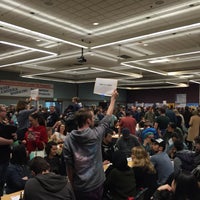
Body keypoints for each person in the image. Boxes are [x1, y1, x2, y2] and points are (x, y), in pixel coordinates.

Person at [63, 89, 118, 200]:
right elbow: (108, 117)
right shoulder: (96, 134)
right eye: (93, 118)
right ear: (88, 121)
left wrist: (72, 185)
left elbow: (69, 167)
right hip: (96, 183)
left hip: (79, 186)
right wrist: (112, 100)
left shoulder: (68, 140)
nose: (94, 119)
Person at [0, 105, 17, 196]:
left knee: (2, 181)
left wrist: (14, 136)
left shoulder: (5, 125)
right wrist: (9, 141)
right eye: (3, 111)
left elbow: (12, 137)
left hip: (5, 157)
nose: (5, 112)